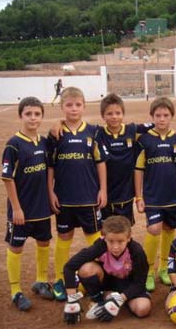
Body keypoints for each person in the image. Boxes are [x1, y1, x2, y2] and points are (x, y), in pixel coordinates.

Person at [47, 87, 107, 301]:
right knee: (64, 238)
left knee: (96, 240)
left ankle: (99, 277)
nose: (73, 108)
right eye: (69, 105)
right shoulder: (55, 133)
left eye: (77, 104)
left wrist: (103, 189)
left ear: (84, 106)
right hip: (64, 198)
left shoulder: (93, 131)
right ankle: (60, 280)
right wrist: (51, 191)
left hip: (89, 197)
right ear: (62, 107)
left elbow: (100, 163)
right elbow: (50, 166)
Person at [2, 97, 54, 311]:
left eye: (37, 114)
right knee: (16, 247)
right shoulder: (13, 145)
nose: (33, 118)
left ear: (42, 116)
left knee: (43, 243)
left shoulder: (43, 143)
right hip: (21, 210)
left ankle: (40, 281)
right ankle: (16, 291)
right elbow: (7, 178)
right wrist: (16, 207)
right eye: (28, 114)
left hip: (41, 207)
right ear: (21, 116)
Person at [62, 216, 151, 324]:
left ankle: (116, 298)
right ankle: (99, 301)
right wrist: (72, 299)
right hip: (107, 280)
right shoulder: (100, 246)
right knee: (86, 269)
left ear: (129, 238)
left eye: (120, 241)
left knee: (143, 309)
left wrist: (121, 299)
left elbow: (139, 283)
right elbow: (69, 267)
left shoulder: (137, 251)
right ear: (104, 237)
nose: (115, 247)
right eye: (111, 241)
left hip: (128, 284)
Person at [135, 97, 176, 292]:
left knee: (169, 229)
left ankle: (164, 267)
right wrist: (138, 197)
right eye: (158, 115)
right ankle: (148, 271)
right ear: (152, 117)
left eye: (166, 115)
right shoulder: (144, 140)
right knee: (154, 229)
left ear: (171, 116)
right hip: (152, 196)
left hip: (173, 195)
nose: (162, 119)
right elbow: (138, 169)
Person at [96, 93, 154, 225]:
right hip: (105, 193)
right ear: (102, 116)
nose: (114, 117)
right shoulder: (97, 133)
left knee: (125, 229)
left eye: (118, 113)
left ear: (123, 114)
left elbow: (156, 124)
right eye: (109, 113)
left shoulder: (132, 130)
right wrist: (61, 122)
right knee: (104, 230)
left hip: (125, 193)